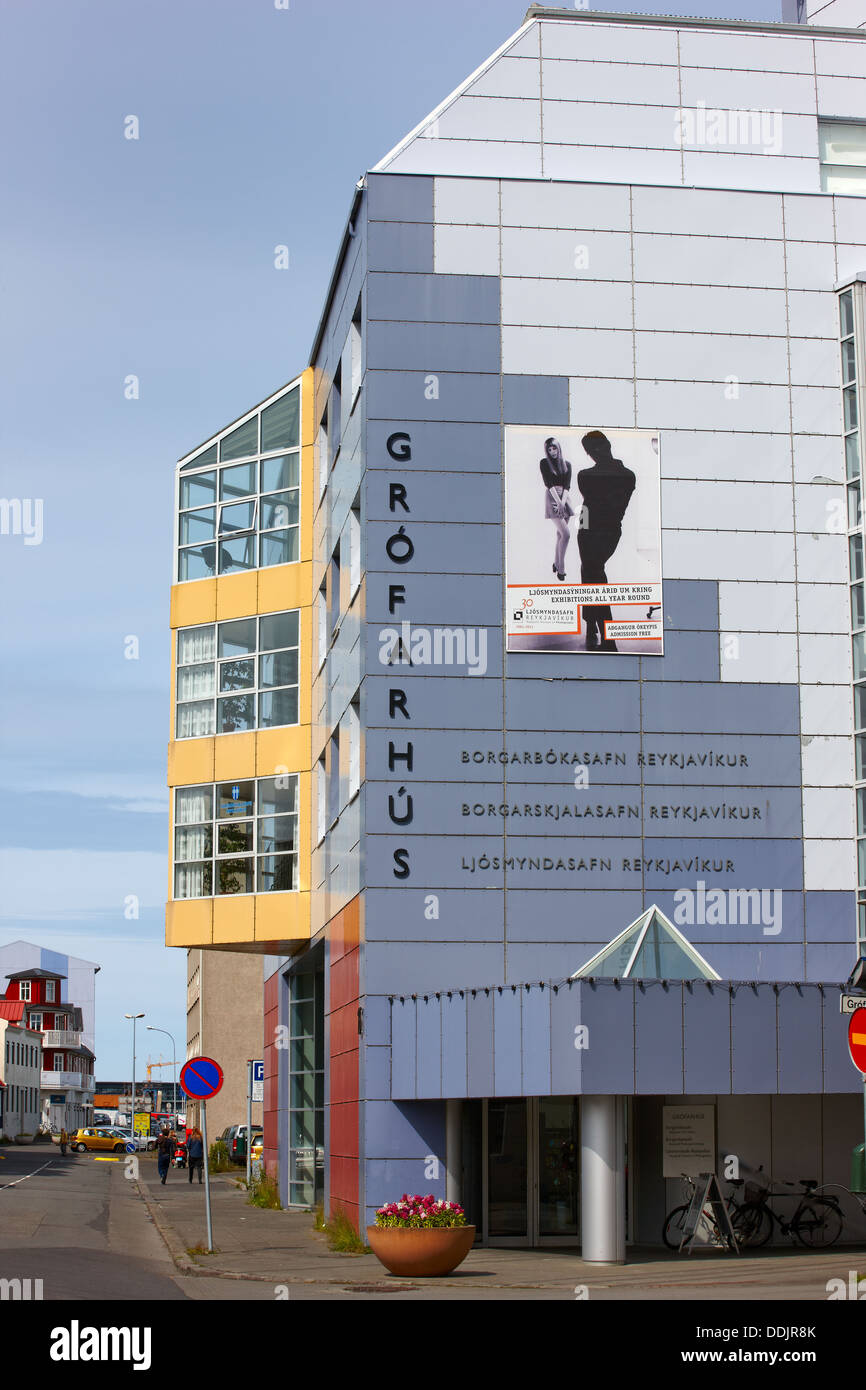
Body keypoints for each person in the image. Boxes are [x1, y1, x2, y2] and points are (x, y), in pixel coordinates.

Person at [576, 430, 636, 652]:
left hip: (605, 529)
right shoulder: (625, 475)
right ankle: (596, 628)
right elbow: (597, 502)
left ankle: (600, 630)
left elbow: (602, 503)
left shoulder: (589, 475)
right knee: (590, 572)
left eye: (596, 448)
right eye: (591, 450)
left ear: (608, 445)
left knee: (593, 574)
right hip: (588, 526)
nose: (594, 453)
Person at [539, 437, 574, 581]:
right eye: (549, 449)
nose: (552, 451)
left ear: (559, 448)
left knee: (560, 535)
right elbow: (548, 483)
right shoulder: (544, 463)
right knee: (566, 534)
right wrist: (558, 502)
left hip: (565, 499)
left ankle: (555, 562)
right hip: (553, 497)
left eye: (554, 448)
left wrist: (563, 501)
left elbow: (567, 486)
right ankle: (561, 567)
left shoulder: (567, 464)